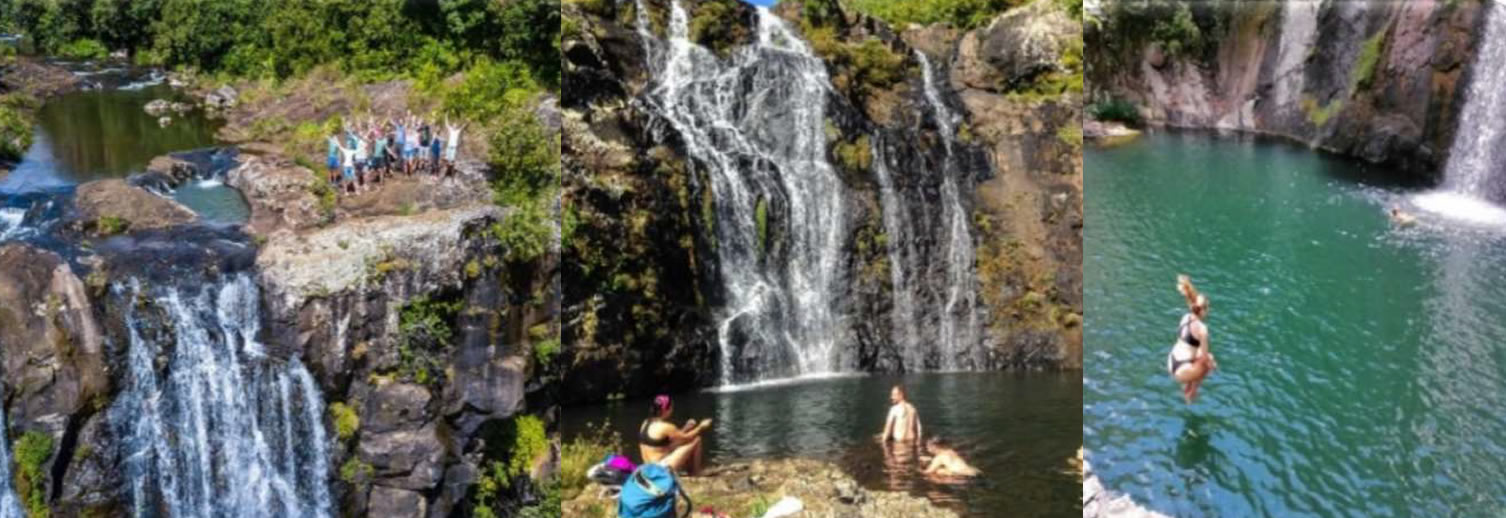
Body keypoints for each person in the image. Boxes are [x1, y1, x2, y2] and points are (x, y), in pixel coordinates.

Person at [1167, 274, 1217, 404]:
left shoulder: (1185, 317)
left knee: (1204, 357)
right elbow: (1204, 358)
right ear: (1204, 311)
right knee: (1208, 364)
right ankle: (1191, 391)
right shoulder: (1202, 329)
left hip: (1171, 362)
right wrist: (1212, 365)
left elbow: (1193, 346)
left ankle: (1189, 384)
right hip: (1181, 370)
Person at [639, 395, 713, 476]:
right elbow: (687, 438)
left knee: (675, 445)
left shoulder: (645, 423)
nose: (672, 410)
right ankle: (696, 473)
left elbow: (672, 439)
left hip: (647, 467)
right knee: (696, 439)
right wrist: (701, 427)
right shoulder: (666, 426)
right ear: (665, 410)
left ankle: (690, 470)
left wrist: (685, 428)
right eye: (671, 408)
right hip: (660, 469)